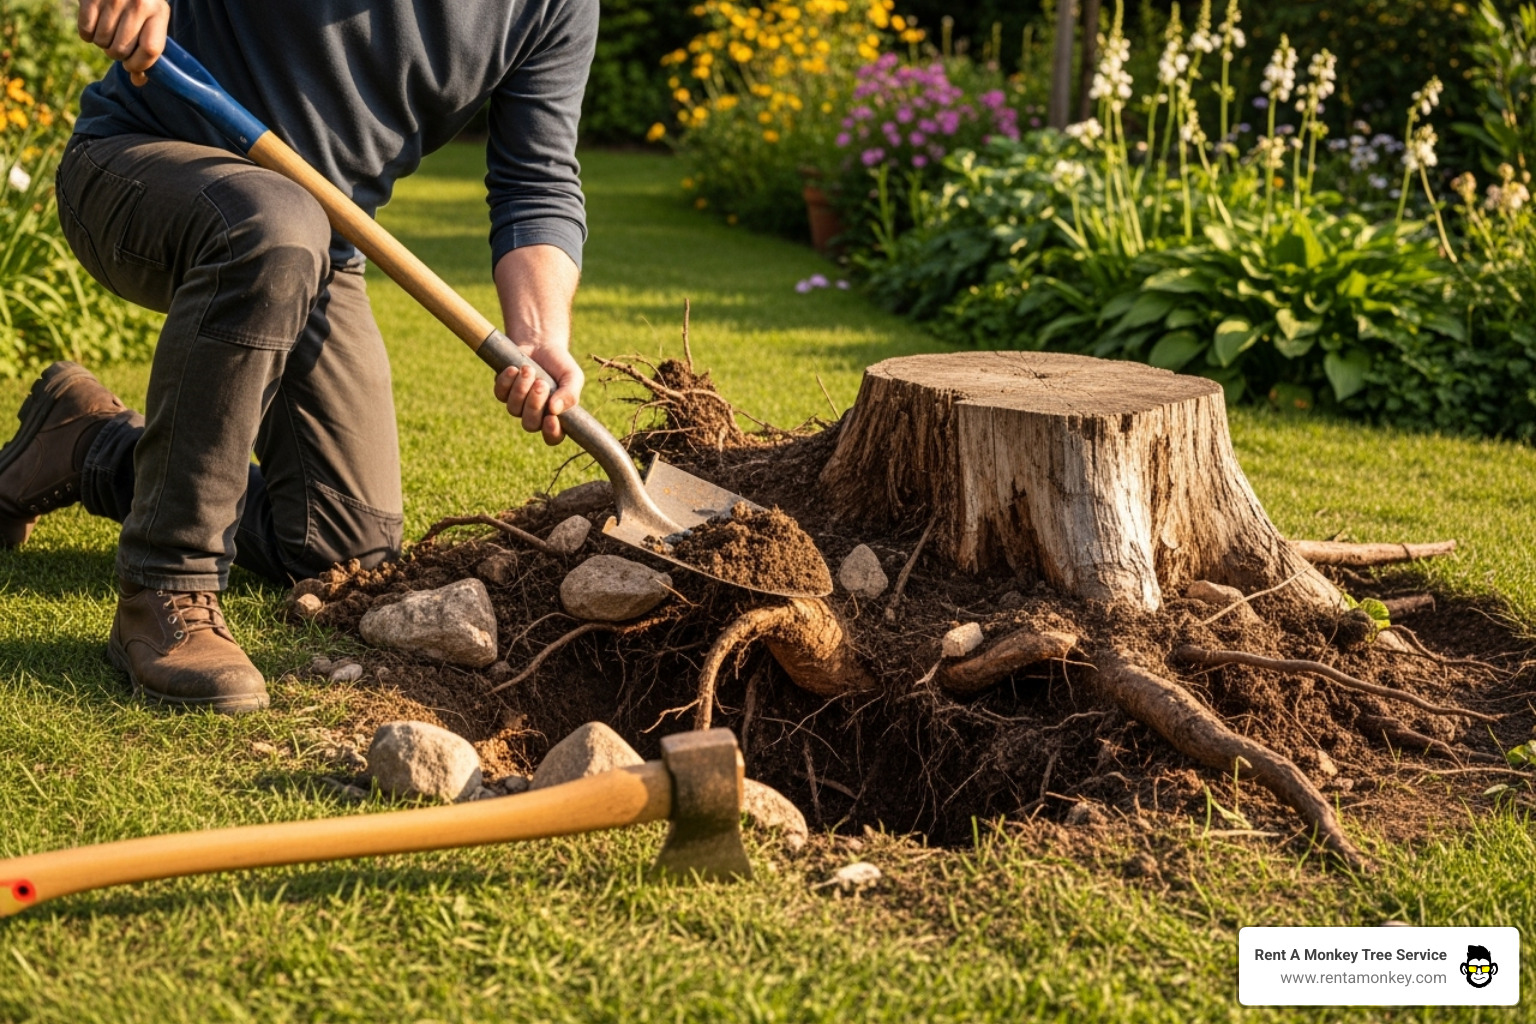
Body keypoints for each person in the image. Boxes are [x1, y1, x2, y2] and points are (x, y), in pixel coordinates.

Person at [0, 0, 596, 712]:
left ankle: (86, 445)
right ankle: (168, 584)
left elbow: (537, 180)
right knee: (276, 226)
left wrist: (537, 334)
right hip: (139, 160)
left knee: (344, 549)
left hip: (322, 247)